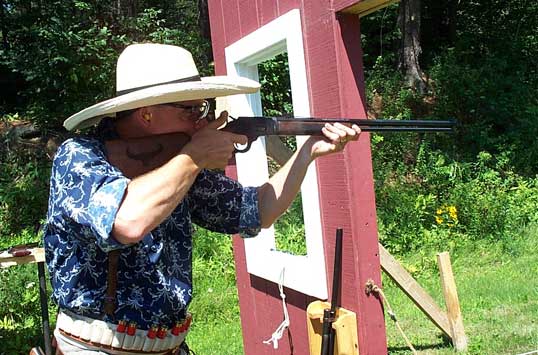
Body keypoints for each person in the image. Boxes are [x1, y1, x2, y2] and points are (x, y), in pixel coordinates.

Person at [43, 43, 360, 355]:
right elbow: (127, 222)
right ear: (147, 114)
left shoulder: (180, 162)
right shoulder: (81, 157)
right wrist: (194, 156)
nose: (201, 119)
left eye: (202, 107)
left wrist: (306, 153)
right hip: (94, 347)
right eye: (191, 109)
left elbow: (259, 210)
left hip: (168, 346)